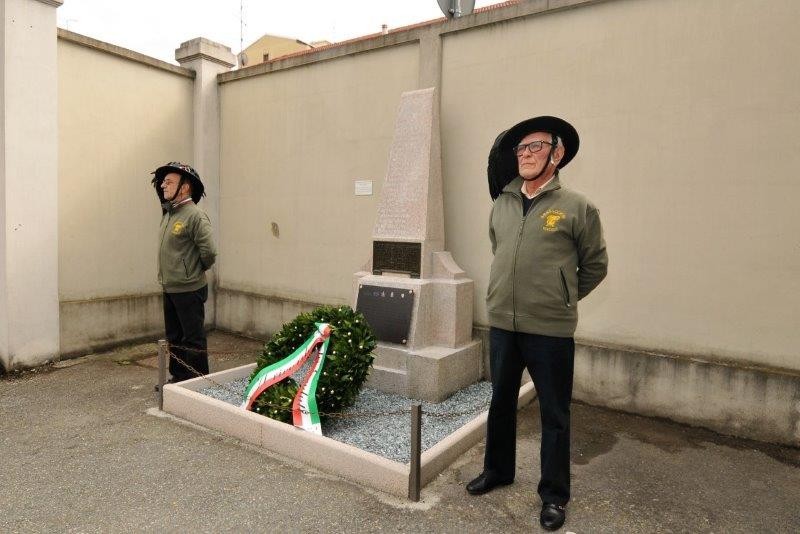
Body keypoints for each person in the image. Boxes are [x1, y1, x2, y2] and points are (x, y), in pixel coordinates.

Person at [468, 116, 608, 531]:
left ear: (557, 153)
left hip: (550, 329)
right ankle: (497, 470)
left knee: (554, 414)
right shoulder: (502, 203)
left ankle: (553, 496)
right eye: (521, 149)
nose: (526, 155)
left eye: (536, 146)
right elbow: (499, 250)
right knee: (500, 402)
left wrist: (561, 297)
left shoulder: (578, 207)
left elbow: (595, 266)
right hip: (503, 324)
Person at [151, 162, 217, 383]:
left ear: (185, 187)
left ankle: (198, 382)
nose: (162, 185)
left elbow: (209, 252)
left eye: (169, 182)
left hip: (189, 289)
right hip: (170, 287)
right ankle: (179, 379)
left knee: (193, 338)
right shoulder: (170, 214)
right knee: (174, 337)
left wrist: (192, 271)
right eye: (163, 182)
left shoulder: (195, 216)